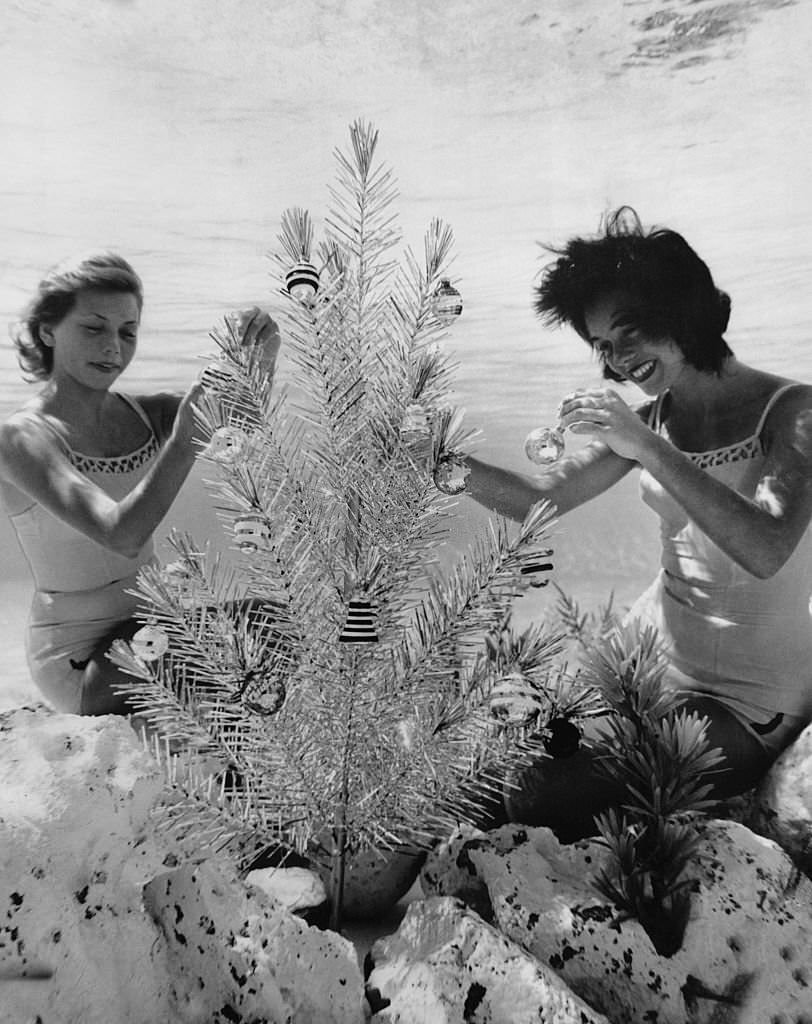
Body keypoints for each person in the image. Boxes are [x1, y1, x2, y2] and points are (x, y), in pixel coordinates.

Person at [466, 207, 812, 834]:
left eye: (630, 332)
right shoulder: (651, 420)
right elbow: (535, 500)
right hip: (652, 657)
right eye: (603, 345)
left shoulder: (795, 413)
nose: (620, 361)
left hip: (747, 700)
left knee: (541, 794)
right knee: (493, 764)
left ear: (684, 310)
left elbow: (765, 546)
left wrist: (646, 446)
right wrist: (432, 457)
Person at [0, 252, 280, 717]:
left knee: (280, 623)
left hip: (153, 626)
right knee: (201, 653)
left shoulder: (151, 414)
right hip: (82, 660)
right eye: (94, 327)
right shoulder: (21, 438)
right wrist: (185, 441)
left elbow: (244, 428)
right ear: (47, 331)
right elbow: (120, 535)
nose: (113, 346)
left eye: (127, 332)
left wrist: (261, 358)